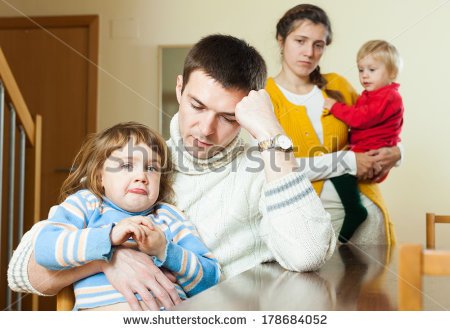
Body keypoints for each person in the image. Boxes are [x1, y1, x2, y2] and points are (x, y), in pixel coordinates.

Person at [8, 34, 335, 311]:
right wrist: (108, 259)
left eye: (228, 117)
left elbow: (307, 254)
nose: (206, 129)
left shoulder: (266, 170)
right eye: (197, 105)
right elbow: (23, 270)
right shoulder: (133, 163)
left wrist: (270, 133)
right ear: (180, 89)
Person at [24, 122, 221, 310]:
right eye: (127, 166)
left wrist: (164, 250)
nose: (141, 176)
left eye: (151, 168)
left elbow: (211, 281)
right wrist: (107, 238)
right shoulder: (86, 204)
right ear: (100, 176)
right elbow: (45, 248)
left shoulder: (169, 216)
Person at [266, 4, 402, 245]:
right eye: (300, 41)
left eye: (318, 45)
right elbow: (273, 169)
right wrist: (349, 161)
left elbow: (383, 124)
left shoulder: (337, 85)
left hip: (369, 222)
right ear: (281, 40)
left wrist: (398, 154)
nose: (309, 52)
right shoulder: (264, 96)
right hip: (309, 230)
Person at [323, 40, 404, 242]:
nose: (364, 75)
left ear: (392, 73)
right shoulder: (372, 95)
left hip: (373, 152)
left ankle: (354, 210)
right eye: (361, 70)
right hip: (366, 148)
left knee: (338, 167)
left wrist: (334, 107)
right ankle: (354, 209)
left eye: (372, 69)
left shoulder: (389, 96)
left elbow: (361, 118)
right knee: (337, 165)